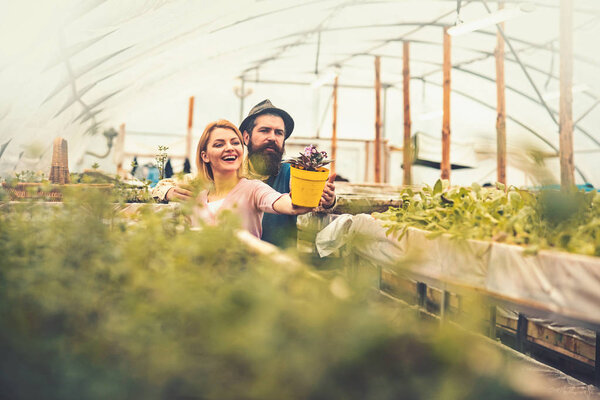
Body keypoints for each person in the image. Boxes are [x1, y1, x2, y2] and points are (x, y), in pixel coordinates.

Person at [152, 99, 336, 247]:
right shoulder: (224, 174)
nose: (272, 137)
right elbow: (161, 186)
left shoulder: (292, 173)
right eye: (264, 130)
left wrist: (327, 200)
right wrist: (169, 192)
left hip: (277, 272)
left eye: (279, 133)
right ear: (246, 137)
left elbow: (299, 201)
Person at [190, 119, 312, 238]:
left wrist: (296, 204)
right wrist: (169, 191)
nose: (230, 148)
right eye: (219, 144)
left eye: (235, 143)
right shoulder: (197, 199)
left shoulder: (253, 189)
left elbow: (277, 200)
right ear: (205, 156)